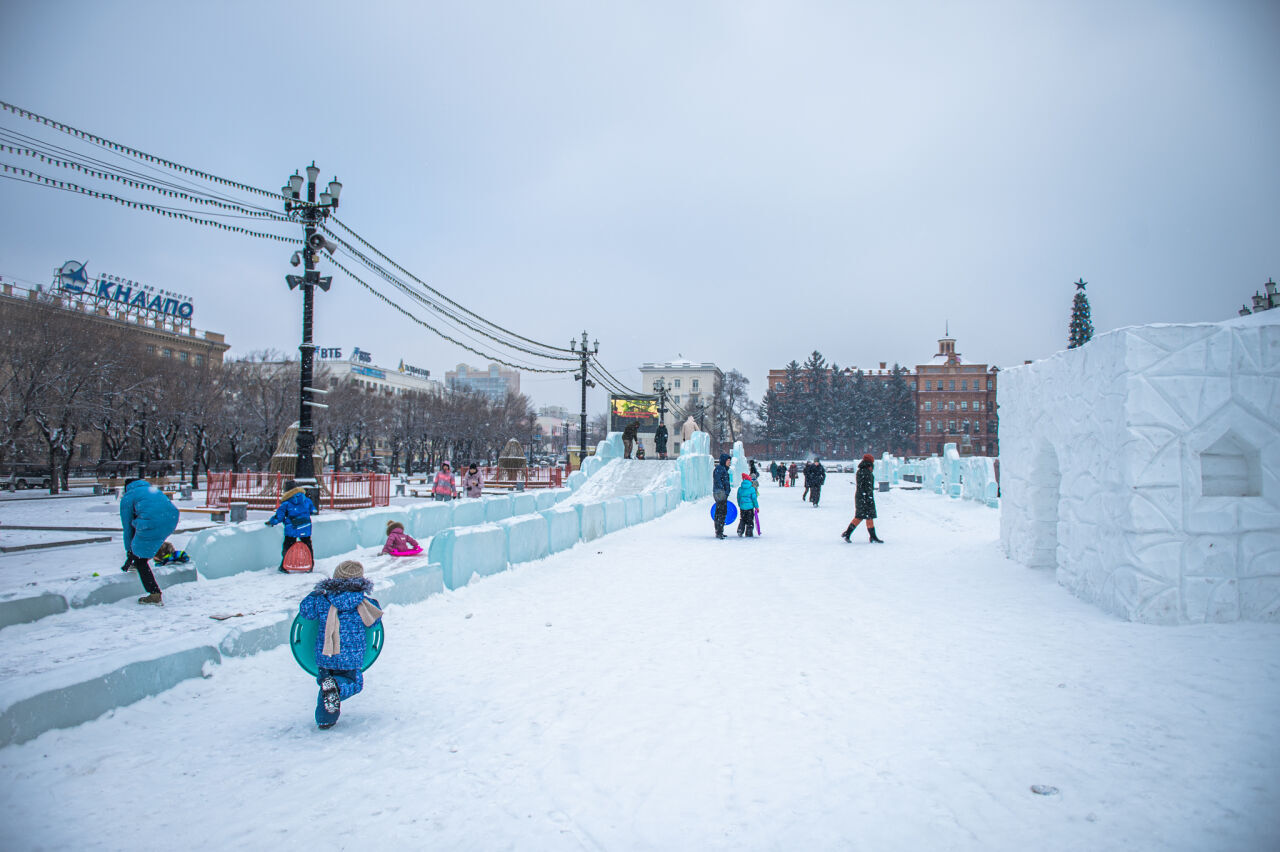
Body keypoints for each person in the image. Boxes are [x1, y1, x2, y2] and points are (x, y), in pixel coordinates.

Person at [298, 560, 383, 729]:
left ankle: (325, 720)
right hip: (351, 657)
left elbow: (305, 613)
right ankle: (337, 687)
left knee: (325, 689)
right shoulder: (363, 603)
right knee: (352, 684)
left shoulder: (322, 600)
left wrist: (314, 594)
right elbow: (374, 622)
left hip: (325, 655)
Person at [119, 476, 180, 605]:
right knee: (147, 542)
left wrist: (129, 550)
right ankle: (156, 553)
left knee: (141, 560)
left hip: (152, 522)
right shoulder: (151, 489)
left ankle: (154, 594)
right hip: (171, 520)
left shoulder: (129, 496)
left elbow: (127, 528)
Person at [266, 478, 317, 573]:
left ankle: (284, 566)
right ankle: (310, 565)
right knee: (307, 545)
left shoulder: (286, 503)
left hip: (292, 528)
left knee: (288, 546)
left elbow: (279, 517)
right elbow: (313, 511)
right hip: (305, 527)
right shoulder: (306, 500)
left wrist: (271, 522)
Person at [843, 454, 885, 543]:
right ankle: (848, 533)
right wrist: (868, 497)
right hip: (864, 497)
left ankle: (872, 537)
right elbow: (866, 486)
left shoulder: (862, 470)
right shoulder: (865, 471)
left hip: (863, 496)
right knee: (860, 517)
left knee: (868, 517)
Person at [712, 453, 732, 539]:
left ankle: (720, 531)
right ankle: (719, 531)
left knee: (722, 512)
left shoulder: (723, 469)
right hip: (720, 493)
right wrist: (723, 490)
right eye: (728, 460)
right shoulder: (720, 469)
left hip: (722, 492)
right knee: (721, 512)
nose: (729, 462)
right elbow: (718, 480)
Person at [736, 472, 758, 538]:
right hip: (750, 507)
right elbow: (754, 499)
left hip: (742, 507)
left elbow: (738, 498)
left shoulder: (740, 489)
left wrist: (740, 505)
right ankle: (749, 532)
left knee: (742, 519)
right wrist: (756, 507)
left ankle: (740, 529)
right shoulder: (752, 489)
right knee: (750, 520)